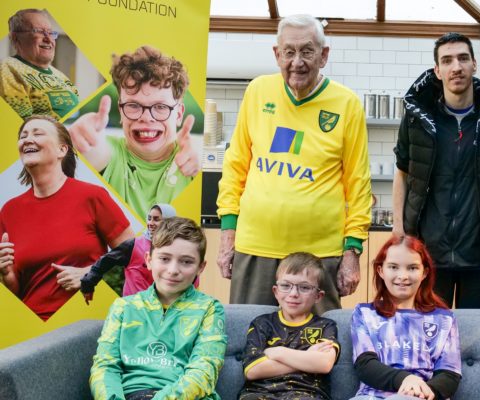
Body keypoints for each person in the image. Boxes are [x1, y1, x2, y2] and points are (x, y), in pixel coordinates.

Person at [216, 14, 371, 313]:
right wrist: (228, 235)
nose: (297, 61)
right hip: (255, 247)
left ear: (323, 56)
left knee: (319, 346)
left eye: (307, 51)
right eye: (289, 52)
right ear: (277, 55)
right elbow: (235, 166)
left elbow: (358, 184)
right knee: (252, 340)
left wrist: (352, 251)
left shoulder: (347, 103)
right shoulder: (258, 91)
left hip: (319, 253)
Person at [392, 32, 480, 309]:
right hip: (428, 255)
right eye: (447, 61)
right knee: (426, 338)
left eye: (463, 58)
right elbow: (402, 172)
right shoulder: (418, 118)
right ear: (437, 71)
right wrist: (399, 234)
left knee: (472, 342)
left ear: (474, 64)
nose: (456, 67)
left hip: (478, 254)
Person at [0, 116, 133, 320]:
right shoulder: (9, 210)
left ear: (62, 150)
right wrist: (6, 275)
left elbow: (133, 251)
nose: (27, 139)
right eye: (23, 135)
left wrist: (91, 272)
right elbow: (18, 291)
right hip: (31, 331)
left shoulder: (91, 196)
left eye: (37, 133)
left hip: (83, 323)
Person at [90, 217, 226, 400]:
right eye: (164, 258)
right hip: (129, 394)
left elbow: (204, 370)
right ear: (148, 260)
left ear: (201, 267)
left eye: (186, 262)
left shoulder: (209, 308)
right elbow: (105, 366)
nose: (173, 270)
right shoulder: (123, 307)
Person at [69, 45, 200, 219]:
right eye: (133, 105)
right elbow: (95, 152)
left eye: (160, 107)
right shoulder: (112, 156)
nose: (146, 118)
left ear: (179, 114)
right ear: (121, 111)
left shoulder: (192, 163)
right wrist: (85, 136)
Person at [350, 236, 461, 400]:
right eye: (393, 267)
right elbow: (365, 365)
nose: (403, 276)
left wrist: (420, 392)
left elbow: (450, 374)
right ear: (381, 271)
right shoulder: (364, 313)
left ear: (424, 272)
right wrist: (405, 379)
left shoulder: (444, 319)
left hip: (424, 396)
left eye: (412, 268)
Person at [238, 252, 340, 400]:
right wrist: (307, 358)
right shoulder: (262, 323)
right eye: (286, 286)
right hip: (259, 394)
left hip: (307, 394)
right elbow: (252, 370)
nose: (293, 294)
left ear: (318, 296)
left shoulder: (325, 326)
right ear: (276, 291)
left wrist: (278, 352)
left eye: (304, 287)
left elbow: (323, 364)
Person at [78, 203, 178, 300]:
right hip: (133, 310)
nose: (150, 223)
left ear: (169, 222)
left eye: (156, 219)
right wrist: (87, 284)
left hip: (162, 311)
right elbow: (104, 262)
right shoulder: (133, 245)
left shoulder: (178, 250)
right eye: (149, 218)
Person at [0, 9, 79, 119]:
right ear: (15, 38)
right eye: (39, 31)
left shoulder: (59, 75)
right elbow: (21, 125)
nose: (48, 39)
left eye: (51, 32)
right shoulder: (8, 69)